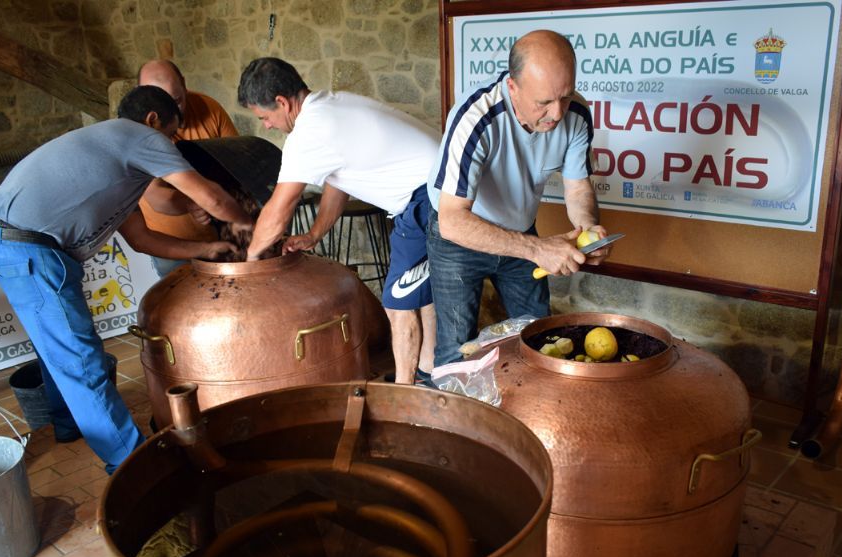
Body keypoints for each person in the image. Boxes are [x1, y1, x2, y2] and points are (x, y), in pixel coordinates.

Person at [0, 85, 252, 473]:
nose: (171, 145)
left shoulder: (112, 160)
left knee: (59, 349)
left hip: (9, 241)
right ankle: (136, 467)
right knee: (81, 360)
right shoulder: (136, 135)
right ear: (154, 120)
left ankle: (68, 424)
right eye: (172, 135)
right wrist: (255, 230)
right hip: (27, 247)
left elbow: (142, 240)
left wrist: (203, 250)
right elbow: (216, 200)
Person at [237, 57, 438, 386]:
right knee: (420, 290)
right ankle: (430, 373)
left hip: (425, 198)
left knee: (397, 303)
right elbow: (338, 180)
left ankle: (404, 394)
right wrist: (316, 233)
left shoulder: (309, 130)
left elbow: (279, 207)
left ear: (282, 102)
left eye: (264, 117)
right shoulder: (333, 105)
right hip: (438, 189)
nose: (266, 126)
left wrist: (249, 261)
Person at [427, 29, 610, 366]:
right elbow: (451, 219)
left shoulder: (576, 114)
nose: (557, 113)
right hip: (460, 236)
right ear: (512, 87)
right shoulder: (476, 118)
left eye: (565, 96)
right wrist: (538, 249)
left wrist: (588, 229)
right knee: (456, 349)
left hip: (520, 229)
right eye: (543, 102)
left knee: (540, 336)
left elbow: (578, 186)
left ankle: (529, 415)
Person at [137, 59, 240, 276]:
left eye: (177, 100)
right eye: (163, 106)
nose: (173, 112)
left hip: (218, 238)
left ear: (183, 84)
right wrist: (192, 203)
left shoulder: (209, 109)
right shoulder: (139, 131)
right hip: (172, 247)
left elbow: (238, 164)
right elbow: (155, 197)